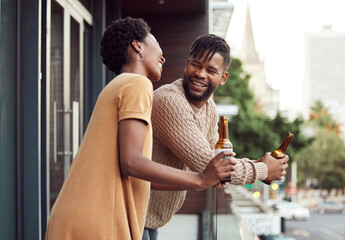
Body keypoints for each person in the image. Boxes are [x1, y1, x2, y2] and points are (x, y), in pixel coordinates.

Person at [44, 18, 237, 240]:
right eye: (155, 42)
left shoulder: (121, 85)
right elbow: (132, 162)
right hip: (97, 220)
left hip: (85, 214)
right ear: (138, 46)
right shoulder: (137, 84)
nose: (163, 57)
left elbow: (137, 173)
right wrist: (200, 179)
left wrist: (200, 179)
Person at [142, 34, 289, 240]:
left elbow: (218, 158)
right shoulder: (170, 102)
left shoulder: (209, 106)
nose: (201, 74)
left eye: (211, 70)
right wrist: (263, 170)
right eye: (196, 65)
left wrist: (258, 163)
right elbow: (208, 166)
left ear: (223, 78)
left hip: (149, 219)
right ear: (187, 65)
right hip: (131, 213)